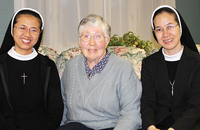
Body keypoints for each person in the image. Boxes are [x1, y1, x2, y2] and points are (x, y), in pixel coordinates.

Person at [57, 14, 142, 130]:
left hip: (110, 127)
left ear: (107, 41)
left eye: (97, 37)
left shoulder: (123, 69)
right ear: (79, 41)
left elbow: (132, 114)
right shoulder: (71, 66)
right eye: (86, 36)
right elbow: (63, 106)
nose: (92, 43)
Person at [0, 8, 63, 129]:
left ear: (40, 33)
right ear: (12, 30)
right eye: (22, 28)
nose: (27, 34)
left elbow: (56, 106)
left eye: (33, 30)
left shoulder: (48, 66)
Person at [141, 5, 200, 130]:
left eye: (170, 26)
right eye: (159, 29)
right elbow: (147, 104)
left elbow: (195, 106)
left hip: (189, 125)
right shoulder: (148, 64)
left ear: (180, 27)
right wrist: (151, 127)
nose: (165, 34)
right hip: (157, 125)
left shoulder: (197, 62)